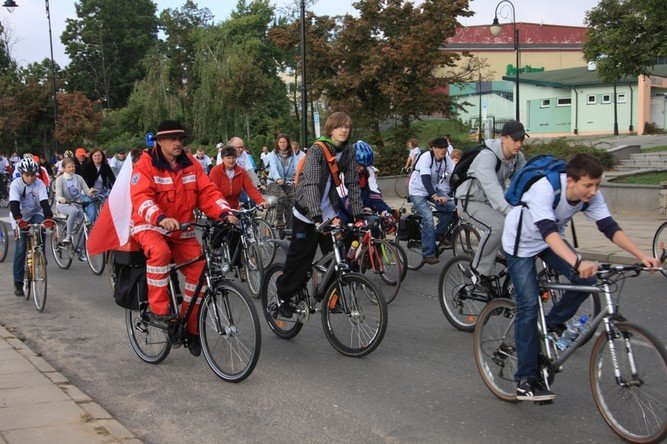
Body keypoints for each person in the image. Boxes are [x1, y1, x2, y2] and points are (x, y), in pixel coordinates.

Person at [502, 153, 660, 401]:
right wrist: (577, 261)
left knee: (587, 280)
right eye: (588, 185)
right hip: (520, 244)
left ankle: (552, 324)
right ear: (571, 181)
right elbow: (549, 233)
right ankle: (525, 380)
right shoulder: (545, 189)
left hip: (548, 241)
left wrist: (642, 256)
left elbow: (609, 227)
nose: (593, 191)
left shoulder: (591, 195)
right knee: (529, 306)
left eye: (597, 185)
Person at [130, 120, 231, 356]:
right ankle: (159, 309)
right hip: (150, 226)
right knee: (160, 253)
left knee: (200, 272)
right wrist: (160, 217)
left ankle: (190, 327)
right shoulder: (145, 164)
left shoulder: (190, 163)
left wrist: (224, 211)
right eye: (173, 138)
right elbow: (140, 197)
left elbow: (207, 191)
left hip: (182, 230)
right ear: (160, 141)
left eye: (181, 138)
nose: (178, 143)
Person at [275, 111, 364, 318]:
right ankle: (283, 296)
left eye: (347, 127)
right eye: (339, 126)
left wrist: (358, 215)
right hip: (306, 211)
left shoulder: (348, 151)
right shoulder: (317, 150)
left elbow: (352, 184)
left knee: (339, 255)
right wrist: (316, 217)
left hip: (328, 210)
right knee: (301, 260)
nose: (344, 130)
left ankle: (332, 298)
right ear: (330, 129)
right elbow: (311, 185)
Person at [456, 120, 527, 292]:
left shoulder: (518, 157)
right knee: (498, 226)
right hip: (470, 201)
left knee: (518, 238)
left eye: (522, 140)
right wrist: (510, 211)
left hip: (490, 203)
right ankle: (478, 271)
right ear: (504, 138)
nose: (519, 144)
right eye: (515, 140)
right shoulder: (487, 157)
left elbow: (527, 181)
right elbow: (492, 188)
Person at [407, 137, 456, 265]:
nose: (443, 150)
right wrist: (435, 196)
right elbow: (425, 179)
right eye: (440, 148)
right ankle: (428, 254)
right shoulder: (426, 157)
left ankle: (439, 233)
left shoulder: (446, 159)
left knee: (451, 206)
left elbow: (456, 172)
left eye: (445, 147)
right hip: (417, 191)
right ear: (433, 148)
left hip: (433, 188)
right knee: (428, 217)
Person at [9, 157, 54, 296]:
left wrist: (48, 217)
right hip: (20, 216)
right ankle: (18, 282)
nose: (30, 178)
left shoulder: (39, 183)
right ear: (22, 174)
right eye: (27, 175)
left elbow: (45, 202)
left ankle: (40, 253)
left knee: (41, 227)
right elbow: (14, 205)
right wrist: (18, 219)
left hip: (35, 213)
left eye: (33, 175)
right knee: (21, 247)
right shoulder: (16, 184)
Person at [338, 140, 393, 224]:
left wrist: (383, 210)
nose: (361, 168)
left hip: (362, 199)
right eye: (358, 165)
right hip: (343, 203)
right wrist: (359, 211)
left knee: (376, 224)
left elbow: (374, 193)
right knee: (344, 225)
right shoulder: (342, 172)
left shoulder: (369, 170)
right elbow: (344, 196)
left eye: (364, 166)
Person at [54, 157, 96, 247]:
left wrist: (91, 193)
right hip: (64, 205)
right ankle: (68, 236)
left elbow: (86, 191)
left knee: (84, 223)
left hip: (76, 204)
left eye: (73, 166)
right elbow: (57, 196)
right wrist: (61, 199)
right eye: (69, 167)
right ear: (64, 169)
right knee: (73, 211)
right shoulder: (60, 179)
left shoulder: (78, 178)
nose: (71, 168)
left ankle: (80, 249)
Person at [209, 146, 266, 211]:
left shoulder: (241, 171)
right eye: (228, 158)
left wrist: (261, 201)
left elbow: (250, 188)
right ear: (222, 159)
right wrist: (224, 209)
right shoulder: (215, 171)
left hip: (234, 207)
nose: (231, 160)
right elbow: (213, 192)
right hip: (218, 207)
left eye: (233, 158)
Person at [265, 134, 297, 228]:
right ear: (277, 143)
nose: (282, 144)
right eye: (280, 142)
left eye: (284, 142)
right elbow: (274, 168)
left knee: (292, 202)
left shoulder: (292, 155)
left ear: (288, 143)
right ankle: (279, 220)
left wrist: (297, 178)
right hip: (273, 182)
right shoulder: (273, 154)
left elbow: (296, 167)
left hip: (287, 182)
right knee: (282, 197)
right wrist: (278, 178)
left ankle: (290, 227)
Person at [81, 148, 115, 224]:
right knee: (93, 214)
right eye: (95, 155)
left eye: (99, 155)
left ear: (102, 156)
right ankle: (89, 226)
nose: (97, 157)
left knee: (109, 209)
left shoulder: (105, 166)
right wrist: (90, 191)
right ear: (91, 157)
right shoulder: (87, 166)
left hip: (102, 191)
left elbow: (112, 178)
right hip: (89, 192)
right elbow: (85, 181)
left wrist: (115, 188)